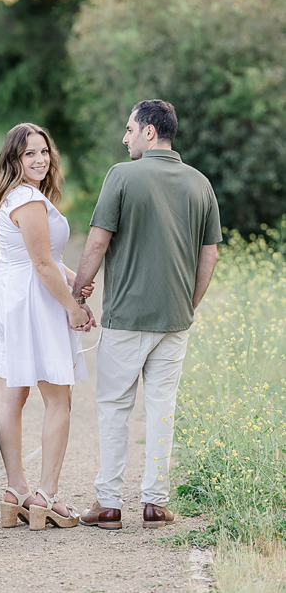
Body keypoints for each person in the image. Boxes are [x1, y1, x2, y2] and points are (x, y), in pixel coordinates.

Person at [73, 99, 221, 530]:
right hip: (175, 320)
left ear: (149, 132)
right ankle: (155, 504)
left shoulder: (121, 176)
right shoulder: (200, 183)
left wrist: (79, 295)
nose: (125, 138)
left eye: (129, 129)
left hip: (126, 318)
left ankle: (109, 504)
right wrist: (187, 304)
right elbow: (208, 255)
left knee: (115, 407)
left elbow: (97, 242)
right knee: (162, 409)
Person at [0, 123, 94, 530]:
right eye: (30, 154)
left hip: (15, 297)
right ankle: (45, 495)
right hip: (32, 303)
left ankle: (15, 492)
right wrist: (72, 307)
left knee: (13, 397)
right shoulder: (28, 200)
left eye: (44, 152)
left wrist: (75, 280)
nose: (40, 159)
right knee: (58, 398)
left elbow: (41, 257)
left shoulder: (18, 196)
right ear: (14, 159)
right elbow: (41, 264)